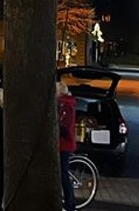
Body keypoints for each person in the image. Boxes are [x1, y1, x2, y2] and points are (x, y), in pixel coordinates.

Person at [58, 80, 78, 211]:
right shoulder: (65, 104)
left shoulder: (66, 106)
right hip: (63, 143)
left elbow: (64, 126)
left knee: (63, 173)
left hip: (64, 144)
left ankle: (70, 204)